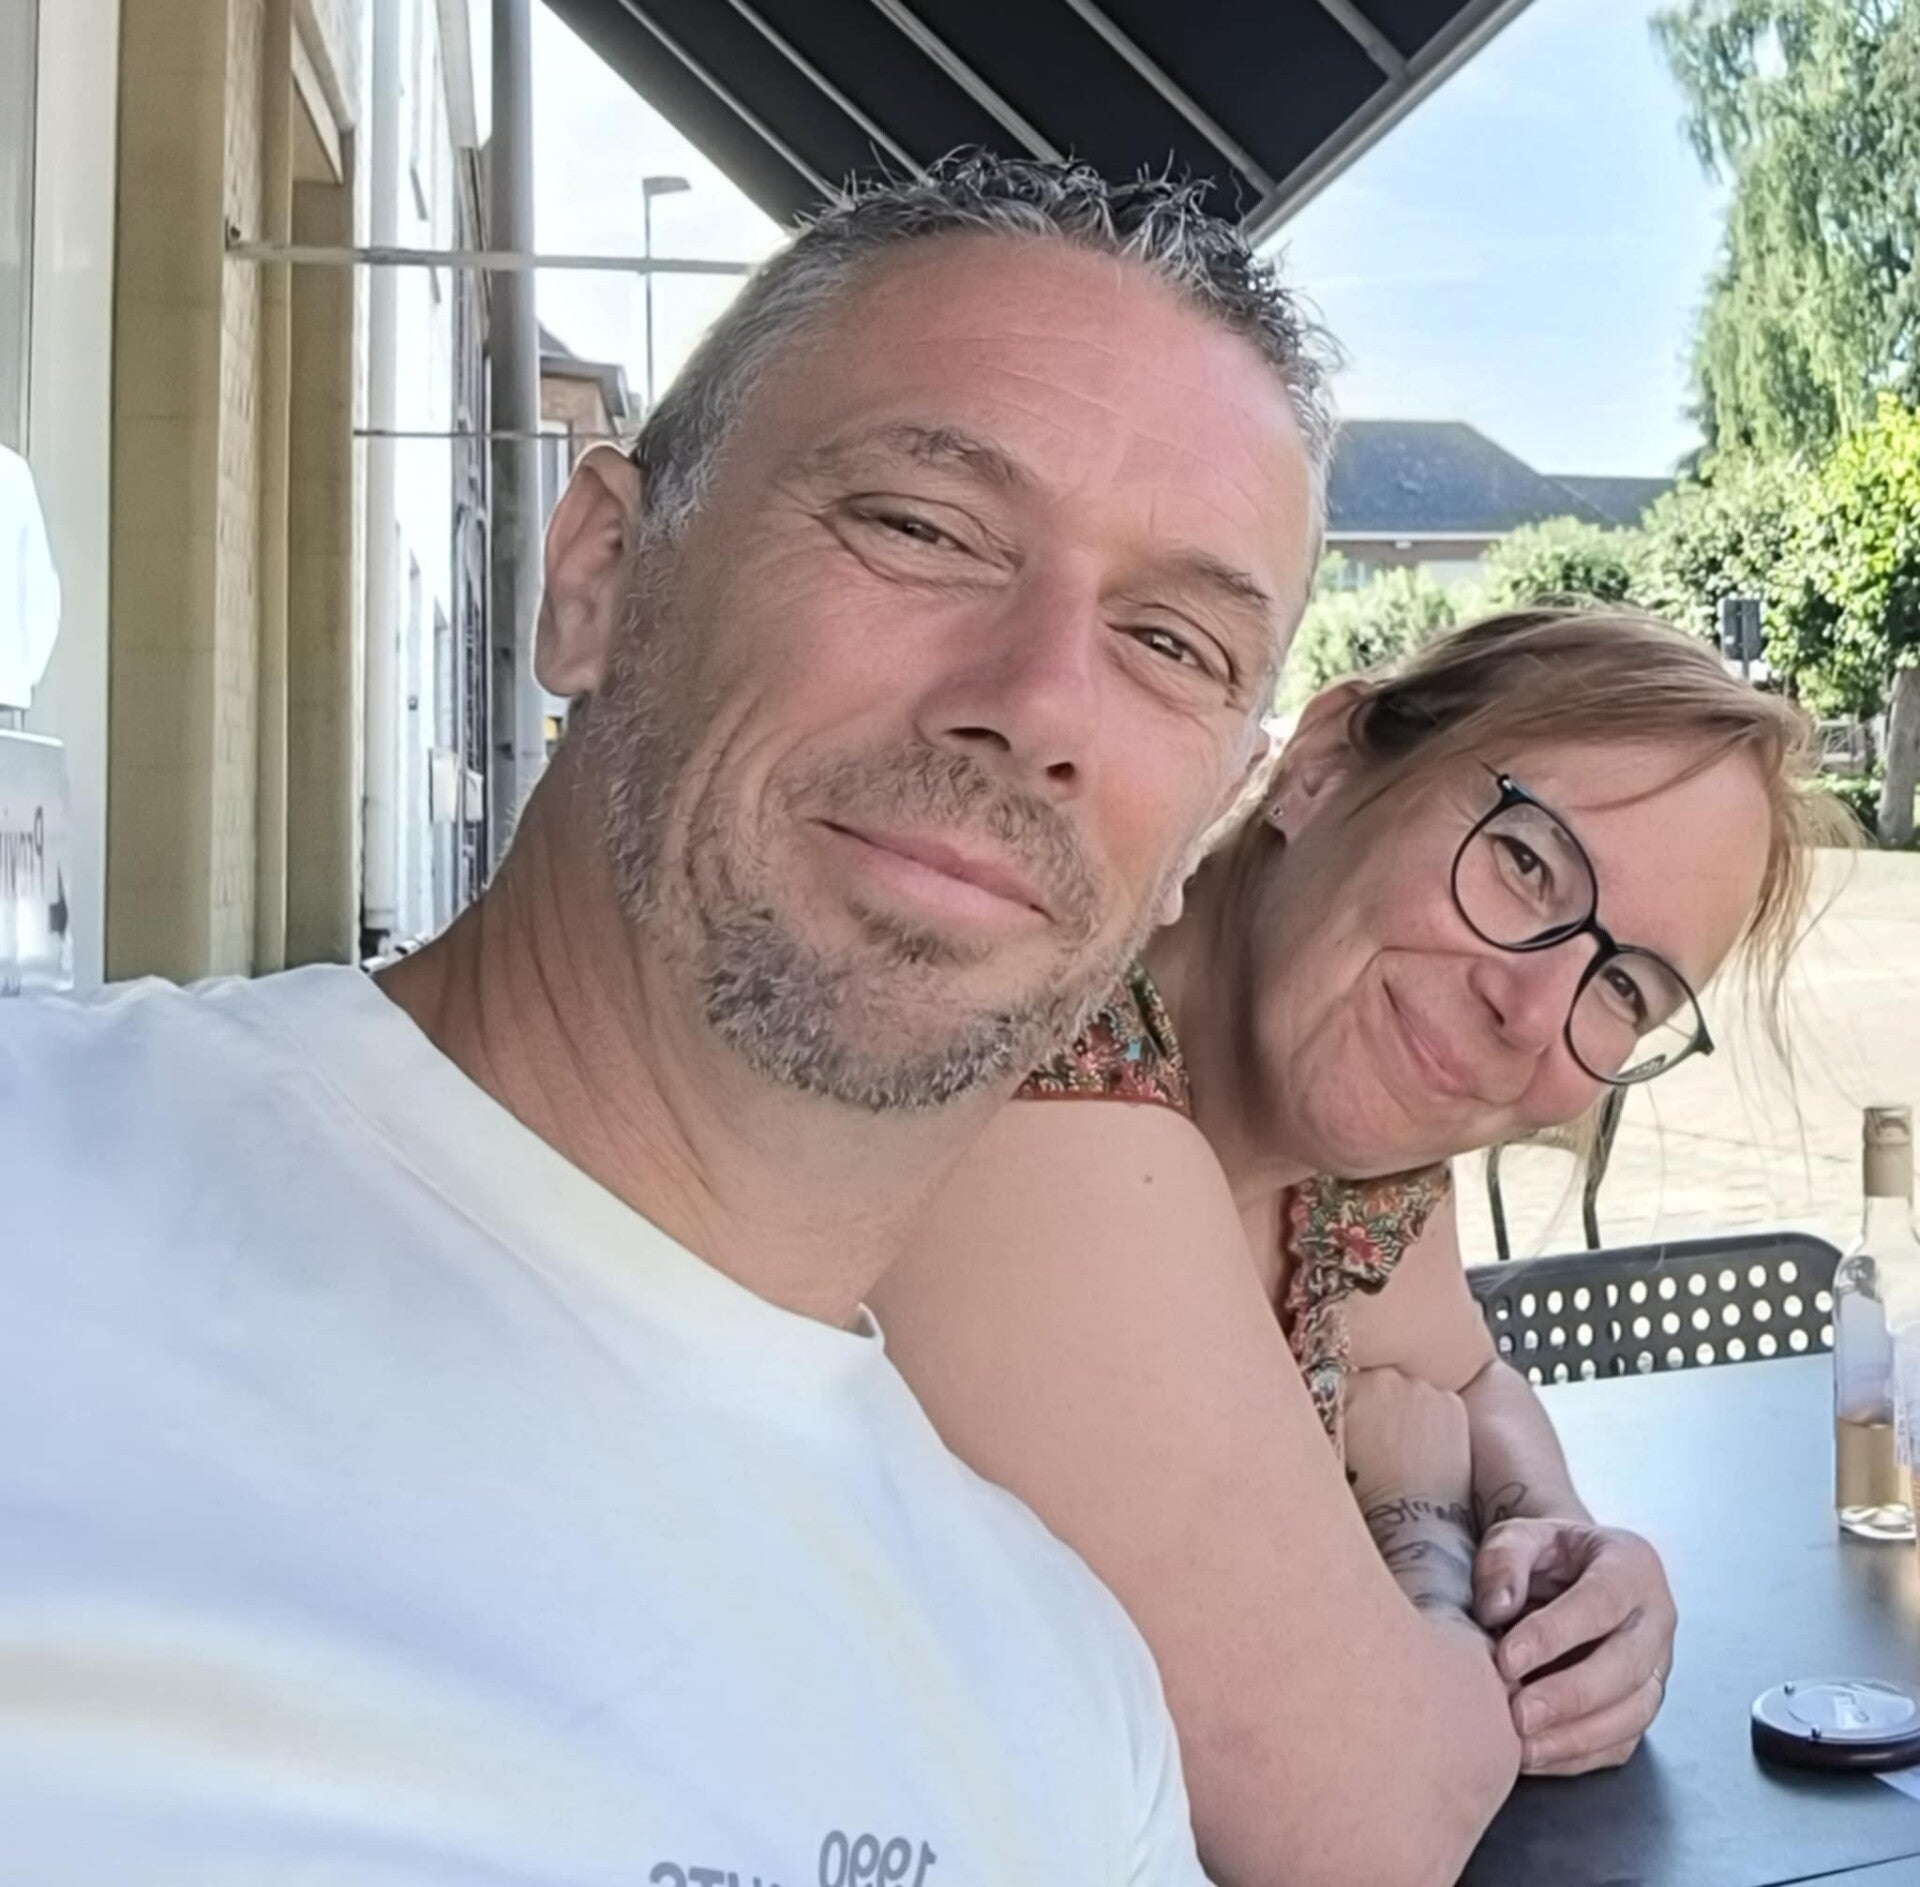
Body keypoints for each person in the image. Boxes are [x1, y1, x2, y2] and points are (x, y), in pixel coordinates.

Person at [0, 158, 1331, 1882]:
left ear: (1202, 831)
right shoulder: (45, 1191)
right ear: (600, 574)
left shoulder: (1069, 1715)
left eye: (1171, 641)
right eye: (923, 527)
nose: (1040, 705)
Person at [875, 607, 1847, 1887]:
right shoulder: (1042, 1070)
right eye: (1529, 864)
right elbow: (1369, 1822)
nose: (1532, 1008)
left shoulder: (1353, 1172)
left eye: (1625, 990)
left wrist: (1560, 1544)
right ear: (1326, 763)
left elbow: (1466, 1379)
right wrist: (1422, 1524)